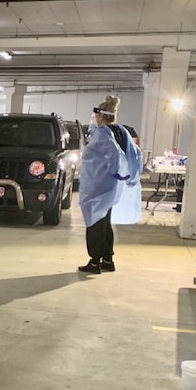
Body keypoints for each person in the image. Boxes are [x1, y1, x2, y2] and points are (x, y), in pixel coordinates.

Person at [77, 95, 143, 274]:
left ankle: (94, 261)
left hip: (98, 185)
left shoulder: (103, 132)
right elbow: (136, 153)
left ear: (101, 116)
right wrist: (127, 175)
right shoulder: (121, 130)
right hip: (111, 186)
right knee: (105, 221)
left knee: (95, 221)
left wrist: (117, 172)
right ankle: (107, 259)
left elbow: (113, 153)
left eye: (96, 116)